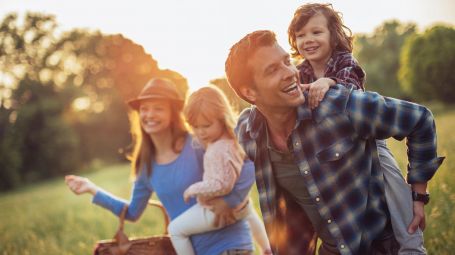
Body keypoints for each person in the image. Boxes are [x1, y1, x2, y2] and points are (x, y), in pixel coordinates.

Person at [225, 30, 444, 255]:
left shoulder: (338, 106)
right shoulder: (249, 133)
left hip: (378, 248)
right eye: (272, 70)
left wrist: (418, 195)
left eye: (287, 62)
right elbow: (226, 158)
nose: (290, 73)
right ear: (249, 92)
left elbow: (420, 119)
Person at [287, 3, 426, 254]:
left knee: (391, 180)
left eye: (316, 32)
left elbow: (351, 83)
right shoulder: (299, 73)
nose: (308, 40)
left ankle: (411, 244)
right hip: (328, 147)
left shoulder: (345, 61)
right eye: (300, 35)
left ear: (333, 34)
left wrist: (328, 82)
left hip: (367, 140)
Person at [65, 78, 255, 255]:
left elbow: (248, 163)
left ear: (173, 114)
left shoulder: (197, 142)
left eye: (158, 108)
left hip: (230, 245)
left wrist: (230, 199)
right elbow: (132, 212)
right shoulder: (145, 167)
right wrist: (92, 190)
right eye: (144, 109)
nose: (149, 115)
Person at [167, 86, 271, 255]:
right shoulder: (233, 141)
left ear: (222, 119)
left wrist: (193, 189)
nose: (200, 132)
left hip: (216, 210)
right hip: (241, 208)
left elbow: (221, 185)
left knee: (175, 230)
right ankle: (267, 248)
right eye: (195, 126)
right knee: (250, 211)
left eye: (206, 126)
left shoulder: (217, 149)